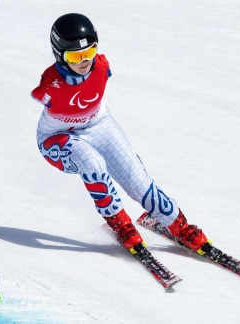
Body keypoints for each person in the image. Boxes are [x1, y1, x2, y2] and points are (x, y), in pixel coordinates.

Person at [31, 13, 208, 253]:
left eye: (90, 52)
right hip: (57, 138)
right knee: (92, 163)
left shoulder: (102, 66)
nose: (84, 60)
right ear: (59, 55)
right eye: (75, 55)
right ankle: (119, 222)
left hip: (98, 124)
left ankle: (178, 225)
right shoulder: (49, 86)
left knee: (138, 181)